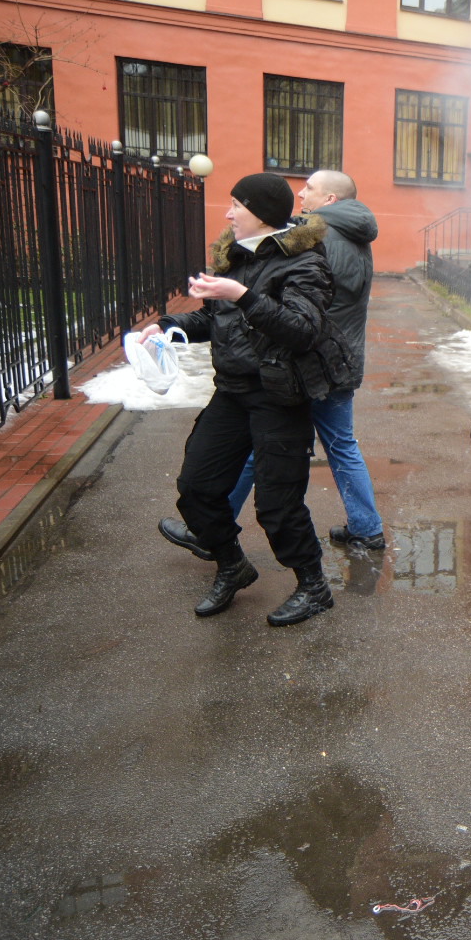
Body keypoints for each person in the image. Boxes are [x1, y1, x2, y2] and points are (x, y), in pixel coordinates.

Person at [141, 172, 335, 627]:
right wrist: (169, 327)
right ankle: (232, 563)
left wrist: (244, 296)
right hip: (231, 392)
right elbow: (215, 318)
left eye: (237, 206)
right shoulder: (236, 259)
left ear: (263, 214)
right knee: (196, 486)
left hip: (279, 398)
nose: (228, 214)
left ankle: (313, 586)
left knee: (277, 504)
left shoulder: (304, 263)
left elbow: (304, 331)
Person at [159, 169, 386, 553]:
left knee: (262, 445)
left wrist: (246, 295)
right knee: (335, 444)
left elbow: (304, 311)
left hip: (311, 364)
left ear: (330, 200)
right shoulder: (354, 234)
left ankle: (213, 528)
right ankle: (366, 526)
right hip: (338, 360)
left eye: (310, 189)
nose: (302, 193)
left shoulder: (319, 239)